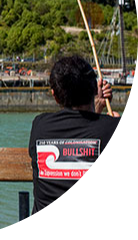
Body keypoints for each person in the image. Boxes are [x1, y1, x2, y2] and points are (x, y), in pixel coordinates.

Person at [28, 55, 122, 240]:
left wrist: (97, 109)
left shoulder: (40, 127)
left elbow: (80, 130)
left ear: (55, 95)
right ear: (93, 88)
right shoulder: (113, 129)